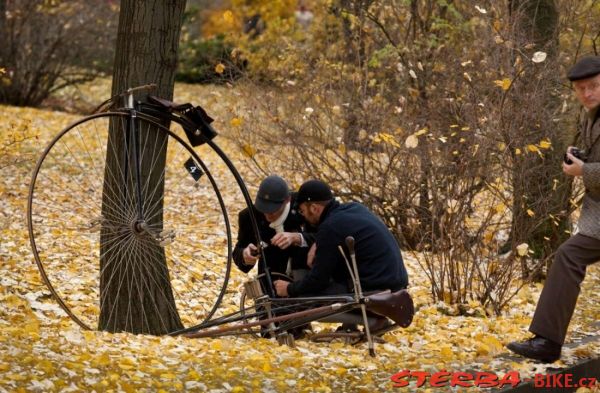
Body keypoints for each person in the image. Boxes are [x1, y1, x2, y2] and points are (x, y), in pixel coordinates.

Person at [507, 56, 600, 363]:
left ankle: (547, 342)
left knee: (569, 255)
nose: (587, 93)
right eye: (581, 88)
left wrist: (583, 171)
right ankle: (547, 342)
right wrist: (579, 157)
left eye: (594, 86)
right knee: (569, 255)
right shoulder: (590, 115)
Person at [274, 180, 409, 299]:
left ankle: (368, 320)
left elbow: (318, 280)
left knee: (305, 298)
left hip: (375, 291)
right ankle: (351, 325)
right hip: (397, 285)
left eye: (303, 211)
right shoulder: (354, 208)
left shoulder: (330, 227)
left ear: (314, 208)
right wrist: (317, 241)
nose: (303, 216)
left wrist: (289, 288)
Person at [233, 175, 314, 281]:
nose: (267, 214)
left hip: (309, 278)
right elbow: (238, 250)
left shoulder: (303, 205)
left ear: (287, 200)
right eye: (263, 208)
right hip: (271, 280)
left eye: (273, 210)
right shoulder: (249, 216)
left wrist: (298, 237)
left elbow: (326, 234)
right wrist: (245, 255)